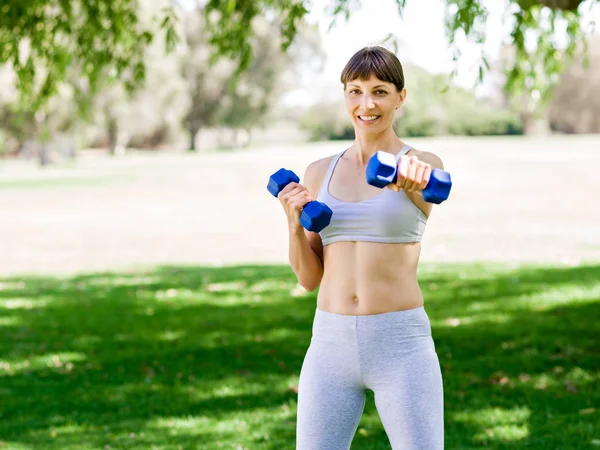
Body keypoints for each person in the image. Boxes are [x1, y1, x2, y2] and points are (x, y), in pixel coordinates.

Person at [276, 46, 446, 449]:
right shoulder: (319, 171)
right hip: (329, 345)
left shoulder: (420, 163)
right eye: (355, 91)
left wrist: (414, 180)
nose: (366, 104)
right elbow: (308, 278)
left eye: (379, 91)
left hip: (400, 344)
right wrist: (292, 223)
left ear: (400, 96)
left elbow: (433, 185)